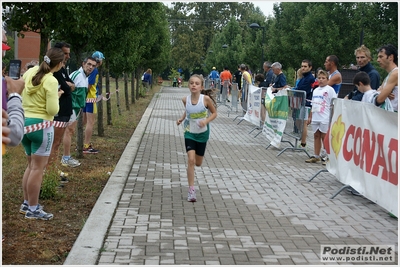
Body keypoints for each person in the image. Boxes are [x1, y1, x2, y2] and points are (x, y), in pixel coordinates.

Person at [20, 47, 65, 220]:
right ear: (59, 64)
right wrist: (58, 97)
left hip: (25, 124)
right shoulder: (51, 81)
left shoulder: (30, 72)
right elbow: (52, 109)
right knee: (38, 168)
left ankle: (26, 203)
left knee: (30, 166)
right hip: (42, 126)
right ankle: (33, 208)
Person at [176, 74, 217, 202]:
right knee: (191, 160)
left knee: (198, 163)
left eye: (197, 83)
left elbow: (215, 113)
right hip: (189, 132)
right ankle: (191, 190)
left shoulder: (205, 100)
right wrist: (182, 119)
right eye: (191, 83)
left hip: (202, 133)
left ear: (201, 87)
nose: (194, 85)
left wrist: (206, 121)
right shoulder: (185, 99)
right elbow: (188, 111)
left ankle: (193, 179)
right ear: (188, 85)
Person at [46, 42, 76, 174]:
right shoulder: (55, 72)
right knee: (55, 143)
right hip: (58, 111)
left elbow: (72, 85)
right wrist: (68, 86)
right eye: (65, 53)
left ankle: (52, 168)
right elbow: (66, 89)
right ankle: (50, 171)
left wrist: (68, 85)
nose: (68, 56)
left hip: (65, 111)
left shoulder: (62, 69)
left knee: (56, 144)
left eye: (69, 53)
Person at [61, 57, 97, 167]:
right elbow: (63, 86)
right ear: (83, 64)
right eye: (89, 64)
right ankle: (66, 158)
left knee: (69, 131)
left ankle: (66, 157)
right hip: (70, 108)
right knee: (69, 131)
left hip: (76, 109)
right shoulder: (77, 75)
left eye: (93, 65)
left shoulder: (85, 77)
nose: (90, 67)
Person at [305, 70, 337, 163]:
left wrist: (332, 116)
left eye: (323, 78)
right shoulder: (315, 90)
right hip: (316, 116)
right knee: (316, 135)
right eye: (319, 78)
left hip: (325, 116)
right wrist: (310, 116)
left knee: (324, 136)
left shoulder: (330, 90)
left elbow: (334, 103)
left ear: (327, 79)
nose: (321, 80)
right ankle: (316, 155)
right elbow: (313, 104)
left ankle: (327, 155)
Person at [83, 51, 105, 154]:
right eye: (102, 60)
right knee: (90, 123)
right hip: (90, 99)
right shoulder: (95, 70)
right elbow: (90, 84)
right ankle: (86, 145)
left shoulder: (89, 69)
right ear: (99, 60)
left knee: (83, 122)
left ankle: (81, 143)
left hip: (85, 98)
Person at [296, 59, 315, 148]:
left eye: (305, 66)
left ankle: (303, 143)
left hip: (306, 103)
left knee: (303, 123)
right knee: (299, 122)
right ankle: (301, 139)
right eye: (302, 66)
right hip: (301, 102)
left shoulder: (310, 78)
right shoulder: (304, 77)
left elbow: (304, 90)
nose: (303, 68)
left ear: (310, 67)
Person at [376, 44, 398, 112]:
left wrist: (381, 93)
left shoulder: (395, 74)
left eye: (381, 57)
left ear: (391, 57)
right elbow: (379, 93)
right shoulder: (390, 74)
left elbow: (379, 100)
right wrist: (381, 93)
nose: (378, 60)